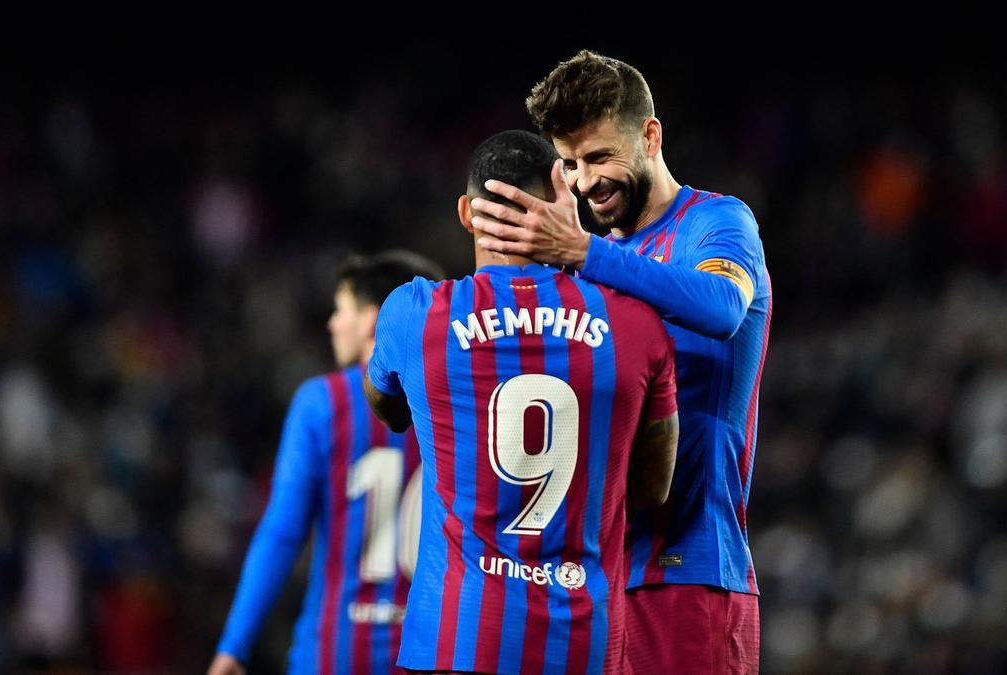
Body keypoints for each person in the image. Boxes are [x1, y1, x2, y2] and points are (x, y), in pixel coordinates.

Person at [468, 51, 771, 674]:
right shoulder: (596, 260)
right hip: (598, 579)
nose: (584, 182)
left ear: (650, 136)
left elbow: (721, 308)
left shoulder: (716, 223)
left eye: (601, 157)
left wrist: (581, 254)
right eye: (572, 164)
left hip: (689, 572)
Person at [365, 129, 679, 674]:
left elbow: (386, 406)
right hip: (584, 642)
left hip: (458, 639)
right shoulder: (635, 323)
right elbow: (654, 488)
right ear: (563, 198)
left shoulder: (413, 316)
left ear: (467, 212)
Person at [209, 251, 444, 675]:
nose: (332, 323)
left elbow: (282, 531)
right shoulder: (460, 403)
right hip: (433, 654)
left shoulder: (323, 403)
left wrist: (234, 646)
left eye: (342, 310)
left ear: (373, 320)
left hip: (337, 652)